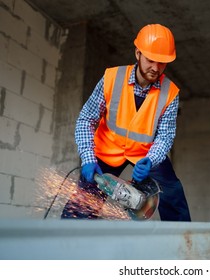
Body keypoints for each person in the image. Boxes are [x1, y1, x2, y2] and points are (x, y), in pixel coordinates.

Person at [61, 23, 191, 221]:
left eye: (162, 63)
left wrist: (152, 159)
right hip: (107, 149)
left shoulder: (170, 92)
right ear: (138, 53)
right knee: (84, 202)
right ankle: (69, 244)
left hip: (146, 154)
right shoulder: (112, 78)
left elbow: (165, 136)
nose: (156, 68)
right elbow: (86, 119)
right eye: (151, 60)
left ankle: (183, 244)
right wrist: (88, 158)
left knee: (172, 192)